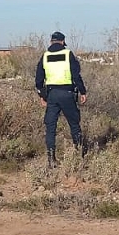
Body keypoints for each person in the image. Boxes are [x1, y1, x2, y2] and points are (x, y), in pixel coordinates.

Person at [34, 31, 86, 168]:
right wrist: (82, 91)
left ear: (51, 41)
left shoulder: (45, 56)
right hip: (67, 93)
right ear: (63, 42)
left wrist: (42, 96)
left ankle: (51, 159)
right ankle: (79, 155)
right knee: (74, 124)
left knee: (50, 128)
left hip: (52, 95)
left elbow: (39, 80)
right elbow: (76, 75)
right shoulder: (68, 54)